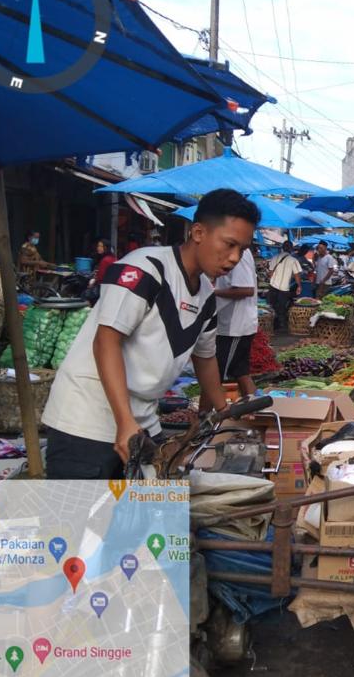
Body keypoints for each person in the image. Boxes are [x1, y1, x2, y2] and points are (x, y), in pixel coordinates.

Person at [41, 189, 260, 479]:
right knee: (85, 509)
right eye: (229, 244)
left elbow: (206, 359)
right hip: (86, 419)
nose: (234, 258)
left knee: (149, 504)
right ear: (198, 232)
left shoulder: (207, 296)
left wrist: (222, 414)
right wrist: (124, 422)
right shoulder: (144, 268)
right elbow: (106, 341)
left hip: (142, 421)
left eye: (242, 250)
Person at [207, 245, 258, 404]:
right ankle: (255, 409)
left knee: (214, 376)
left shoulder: (239, 254)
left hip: (234, 327)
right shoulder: (234, 252)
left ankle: (206, 414)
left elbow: (246, 290)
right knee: (240, 372)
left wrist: (213, 292)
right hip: (233, 324)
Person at [267, 240, 303, 330]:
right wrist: (299, 286)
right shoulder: (293, 260)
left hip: (273, 286)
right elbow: (297, 274)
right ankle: (281, 325)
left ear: (282, 248)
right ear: (291, 249)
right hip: (284, 288)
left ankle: (272, 325)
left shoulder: (275, 257)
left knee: (272, 306)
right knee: (282, 307)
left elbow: (270, 273)